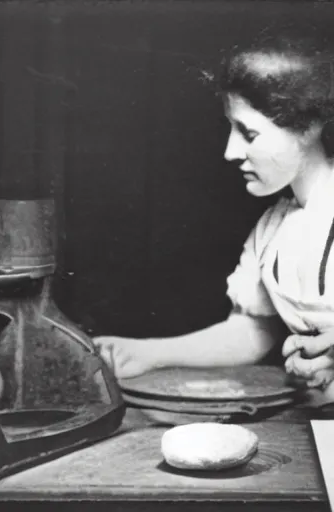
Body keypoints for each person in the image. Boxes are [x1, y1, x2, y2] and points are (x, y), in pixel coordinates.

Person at [93, 25, 334, 399]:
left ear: (308, 128)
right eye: (230, 130)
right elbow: (253, 332)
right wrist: (144, 353)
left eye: (248, 133)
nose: (230, 152)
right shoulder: (274, 227)